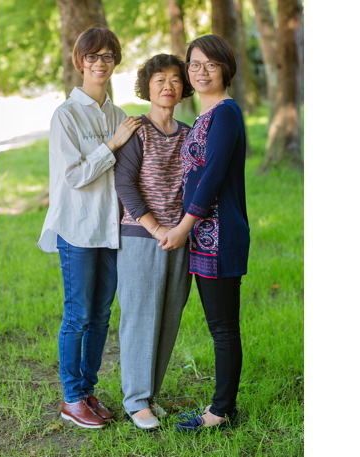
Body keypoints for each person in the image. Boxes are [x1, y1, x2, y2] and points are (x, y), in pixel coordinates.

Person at [37, 26, 142, 429]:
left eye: (108, 56)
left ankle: (87, 390)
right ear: (80, 62)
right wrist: (112, 144)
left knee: (101, 314)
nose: (100, 63)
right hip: (78, 228)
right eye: (92, 56)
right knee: (78, 314)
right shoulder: (66, 115)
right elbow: (75, 176)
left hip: (111, 229)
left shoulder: (118, 115)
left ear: (115, 62)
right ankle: (71, 398)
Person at [159, 34, 250, 431]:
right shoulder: (204, 116)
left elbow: (211, 177)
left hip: (221, 236)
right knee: (219, 326)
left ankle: (221, 412)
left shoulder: (226, 113)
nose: (201, 72)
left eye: (210, 64)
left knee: (223, 328)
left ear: (225, 69)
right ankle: (223, 407)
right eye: (194, 64)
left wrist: (183, 227)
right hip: (202, 236)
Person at [113, 54, 194, 430]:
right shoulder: (137, 130)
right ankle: (135, 400)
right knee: (141, 317)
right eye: (159, 79)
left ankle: (150, 395)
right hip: (141, 236)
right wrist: (157, 228)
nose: (168, 86)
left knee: (168, 316)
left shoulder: (189, 133)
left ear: (183, 88)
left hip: (180, 238)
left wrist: (179, 230)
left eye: (175, 79)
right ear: (147, 86)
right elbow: (125, 185)